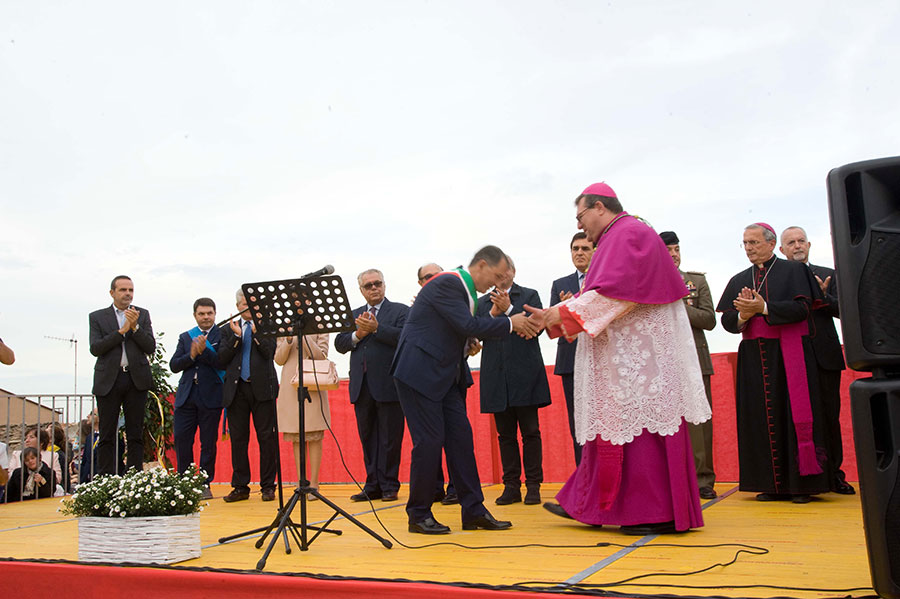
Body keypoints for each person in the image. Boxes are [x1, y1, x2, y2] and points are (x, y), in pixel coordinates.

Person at [533, 183, 710, 535]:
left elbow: (616, 296)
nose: (580, 225)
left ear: (599, 207)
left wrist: (558, 315)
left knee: (640, 433)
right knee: (613, 430)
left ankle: (651, 512)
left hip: (639, 360)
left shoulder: (628, 234)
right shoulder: (620, 235)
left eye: (580, 216)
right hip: (627, 354)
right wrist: (564, 315)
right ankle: (590, 502)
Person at [391, 245, 539, 534]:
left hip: (445, 377)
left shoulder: (466, 293)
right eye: (496, 275)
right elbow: (466, 323)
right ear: (481, 265)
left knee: (461, 441)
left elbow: (459, 328)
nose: (496, 284)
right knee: (430, 442)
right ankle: (418, 514)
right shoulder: (449, 282)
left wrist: (469, 338)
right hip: (419, 374)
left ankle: (473, 511)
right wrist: (509, 322)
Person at [717, 223, 832, 503]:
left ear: (771, 244)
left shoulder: (795, 271)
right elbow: (727, 321)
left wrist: (764, 308)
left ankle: (801, 486)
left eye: (754, 243)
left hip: (790, 353)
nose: (749, 248)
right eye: (745, 243)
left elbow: (803, 309)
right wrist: (744, 315)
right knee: (759, 418)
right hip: (753, 357)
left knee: (792, 416)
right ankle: (770, 484)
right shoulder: (739, 278)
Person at [779, 226, 854, 495]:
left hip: (824, 356)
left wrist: (825, 297)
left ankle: (835, 476)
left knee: (829, 418)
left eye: (801, 241)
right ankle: (799, 482)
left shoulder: (828, 275)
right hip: (790, 358)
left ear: (809, 245)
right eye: (791, 242)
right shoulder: (777, 278)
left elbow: (846, 311)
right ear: (782, 250)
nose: (797, 246)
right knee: (791, 420)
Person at [476, 256, 550, 505]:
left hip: (525, 374)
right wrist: (493, 312)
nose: (500, 274)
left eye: (504, 269)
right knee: (504, 434)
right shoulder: (481, 302)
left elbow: (535, 328)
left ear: (513, 271)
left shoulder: (529, 295)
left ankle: (533, 485)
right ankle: (511, 485)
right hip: (496, 375)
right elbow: (477, 331)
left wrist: (508, 310)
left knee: (530, 432)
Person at [335, 269, 409, 503]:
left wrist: (377, 329)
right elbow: (340, 343)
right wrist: (358, 334)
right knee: (368, 438)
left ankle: (389, 485)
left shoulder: (399, 311)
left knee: (390, 439)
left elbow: (404, 337)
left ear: (384, 285)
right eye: (368, 286)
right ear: (361, 290)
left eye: (377, 283)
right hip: (362, 385)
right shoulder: (355, 314)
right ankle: (372, 485)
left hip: (389, 384)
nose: (374, 288)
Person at [659, 230, 718, 500]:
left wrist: (678, 305)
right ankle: (670, 477)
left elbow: (709, 319)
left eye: (676, 249)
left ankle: (703, 479)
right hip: (661, 362)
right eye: (668, 250)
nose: (673, 255)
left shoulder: (696, 281)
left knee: (699, 422)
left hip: (695, 358)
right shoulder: (650, 282)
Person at [88, 275, 155, 474]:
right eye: (123, 290)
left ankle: (133, 477)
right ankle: (106, 479)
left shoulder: (142, 315)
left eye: (131, 290)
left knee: (135, 433)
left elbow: (150, 346)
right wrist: (121, 332)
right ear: (112, 293)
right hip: (109, 379)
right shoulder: (98, 317)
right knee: (108, 434)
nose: (127, 294)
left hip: (135, 379)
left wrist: (134, 327)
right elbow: (96, 348)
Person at [218, 289, 279, 502]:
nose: (250, 306)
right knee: (239, 439)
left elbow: (270, 353)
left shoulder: (268, 326)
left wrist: (257, 334)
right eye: (246, 303)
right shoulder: (228, 329)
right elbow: (221, 358)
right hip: (237, 390)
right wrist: (237, 337)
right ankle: (240, 486)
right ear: (238, 306)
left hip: (263, 388)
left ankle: (268, 486)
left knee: (267, 439)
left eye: (254, 302)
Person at [170, 298, 224, 499]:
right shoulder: (186, 337)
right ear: (195, 315)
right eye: (202, 314)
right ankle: (184, 481)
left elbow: (222, 362)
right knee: (182, 439)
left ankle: (204, 482)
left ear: (215, 314)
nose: (206, 317)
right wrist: (192, 355)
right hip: (186, 396)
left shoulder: (222, 335)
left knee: (208, 442)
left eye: (209, 313)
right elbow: (174, 365)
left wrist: (203, 353)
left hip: (211, 396)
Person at [549, 232, 594, 465]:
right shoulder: (560, 285)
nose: (579, 253)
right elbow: (552, 324)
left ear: (595, 252)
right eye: (575, 248)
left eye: (585, 248)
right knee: (577, 423)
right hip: (570, 361)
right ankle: (583, 476)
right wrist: (561, 307)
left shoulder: (601, 281)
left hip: (599, 359)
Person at [416, 262, 459, 505]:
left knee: (458, 440)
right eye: (428, 277)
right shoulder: (416, 311)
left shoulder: (457, 304)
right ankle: (430, 494)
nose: (434, 280)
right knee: (429, 441)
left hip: (452, 380)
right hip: (424, 383)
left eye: (438, 276)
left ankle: (457, 490)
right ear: (421, 283)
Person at [274, 331, 332, 497]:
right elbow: (279, 359)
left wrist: (304, 335)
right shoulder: (285, 327)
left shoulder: (319, 324)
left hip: (312, 381)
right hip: (291, 383)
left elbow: (321, 355)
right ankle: (302, 482)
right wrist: (289, 339)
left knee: (314, 433)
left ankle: (314, 484)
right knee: (296, 435)